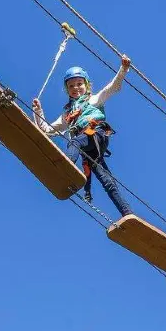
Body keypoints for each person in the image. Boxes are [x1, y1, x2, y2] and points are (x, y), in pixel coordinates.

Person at [32, 55, 134, 217]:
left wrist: (123, 69)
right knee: (106, 179)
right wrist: (38, 111)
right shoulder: (68, 114)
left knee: (75, 142)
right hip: (87, 147)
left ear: (86, 85)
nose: (76, 88)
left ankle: (66, 167)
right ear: (67, 90)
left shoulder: (93, 100)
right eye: (71, 86)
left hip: (96, 132)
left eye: (79, 84)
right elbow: (46, 130)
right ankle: (128, 213)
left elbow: (112, 87)